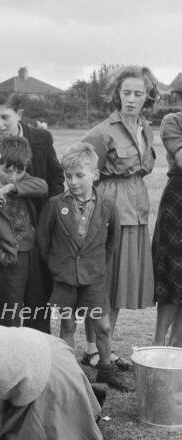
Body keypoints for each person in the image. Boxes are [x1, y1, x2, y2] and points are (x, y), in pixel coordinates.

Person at [81, 66, 159, 369]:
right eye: (126, 92)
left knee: (119, 285)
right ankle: (93, 349)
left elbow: (145, 167)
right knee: (103, 286)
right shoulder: (102, 131)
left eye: (138, 94)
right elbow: (81, 170)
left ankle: (105, 348)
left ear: (147, 96)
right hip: (111, 214)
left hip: (137, 212)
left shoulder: (146, 129)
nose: (131, 99)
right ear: (117, 94)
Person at [0, 93, 64, 330]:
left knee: (36, 301)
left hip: (33, 237)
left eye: (4, 117)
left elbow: (52, 181)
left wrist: (48, 222)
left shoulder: (41, 139)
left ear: (19, 115)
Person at [38, 143, 129, 392]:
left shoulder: (108, 206)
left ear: (95, 175)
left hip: (94, 277)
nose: (73, 181)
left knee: (103, 325)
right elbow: (44, 242)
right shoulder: (55, 205)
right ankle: (69, 373)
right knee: (68, 324)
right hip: (65, 278)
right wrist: (58, 266)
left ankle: (106, 370)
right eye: (68, 176)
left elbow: (112, 242)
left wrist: (96, 265)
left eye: (80, 175)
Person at [0, 136, 49, 329]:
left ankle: (39, 354)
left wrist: (12, 187)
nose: (13, 175)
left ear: (26, 166)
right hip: (8, 261)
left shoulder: (22, 181)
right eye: (7, 170)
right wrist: (1, 257)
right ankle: (8, 356)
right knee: (9, 315)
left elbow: (43, 186)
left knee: (38, 309)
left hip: (33, 256)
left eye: (19, 171)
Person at [152, 111, 182, 346]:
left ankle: (177, 349)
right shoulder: (173, 121)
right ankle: (158, 346)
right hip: (178, 201)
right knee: (173, 273)